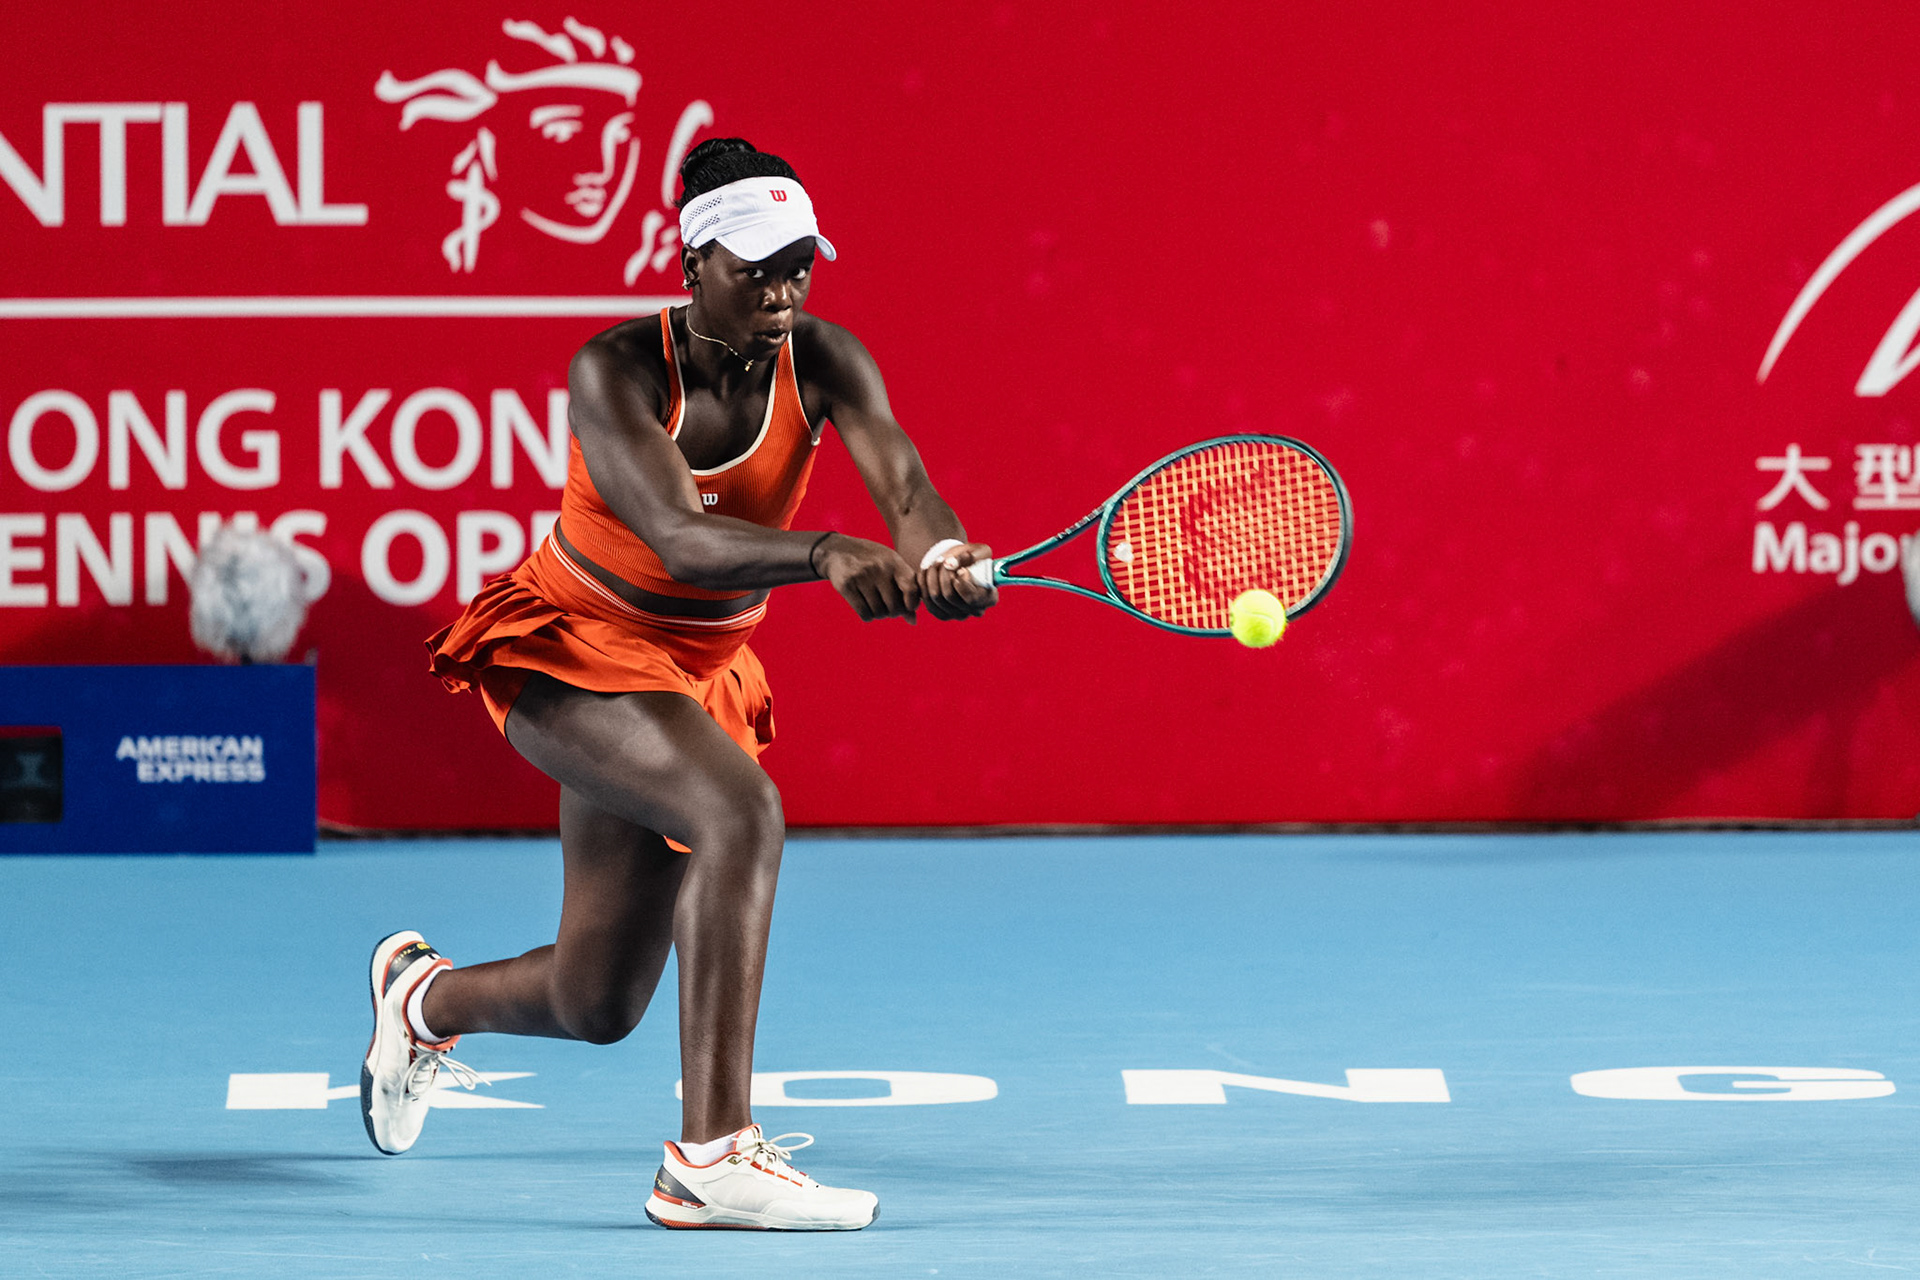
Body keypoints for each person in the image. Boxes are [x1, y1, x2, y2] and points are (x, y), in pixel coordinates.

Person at [362, 137, 996, 1231]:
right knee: (738, 808)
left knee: (595, 999)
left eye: (800, 264)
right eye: (758, 268)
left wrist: (938, 552)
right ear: (692, 260)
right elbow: (674, 540)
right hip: (572, 646)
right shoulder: (614, 368)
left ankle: (420, 999)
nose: (785, 290)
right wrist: (825, 554)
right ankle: (711, 1157)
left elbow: (906, 479)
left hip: (687, 675)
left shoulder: (827, 357)